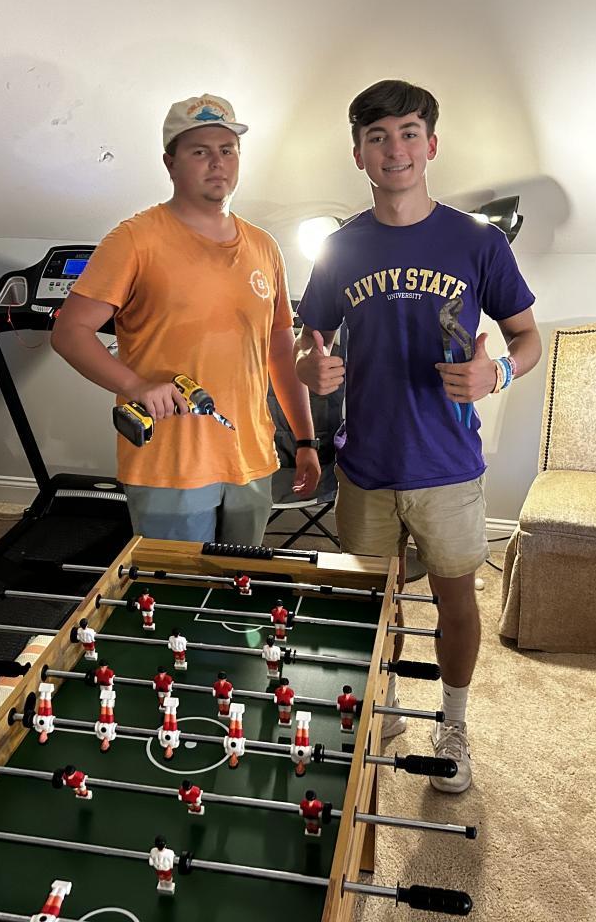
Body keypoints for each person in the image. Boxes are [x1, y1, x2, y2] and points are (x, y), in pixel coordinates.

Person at [295, 79, 542, 794]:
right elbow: (310, 338)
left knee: (456, 599)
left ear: (431, 145)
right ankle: (386, 705)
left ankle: (453, 723)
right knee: (376, 600)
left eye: (408, 133)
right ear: (358, 154)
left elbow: (527, 338)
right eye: (377, 137)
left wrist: (498, 371)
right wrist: (311, 365)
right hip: (366, 463)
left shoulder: (478, 242)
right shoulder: (339, 248)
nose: (394, 149)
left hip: (448, 466)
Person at [51, 93, 319, 544]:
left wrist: (306, 440)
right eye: (200, 152)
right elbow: (69, 333)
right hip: (169, 464)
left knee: (237, 579)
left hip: (250, 456)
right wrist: (137, 387)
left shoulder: (263, 246)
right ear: (170, 163)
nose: (217, 163)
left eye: (227, 150)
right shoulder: (134, 240)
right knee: (175, 583)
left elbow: (279, 347)